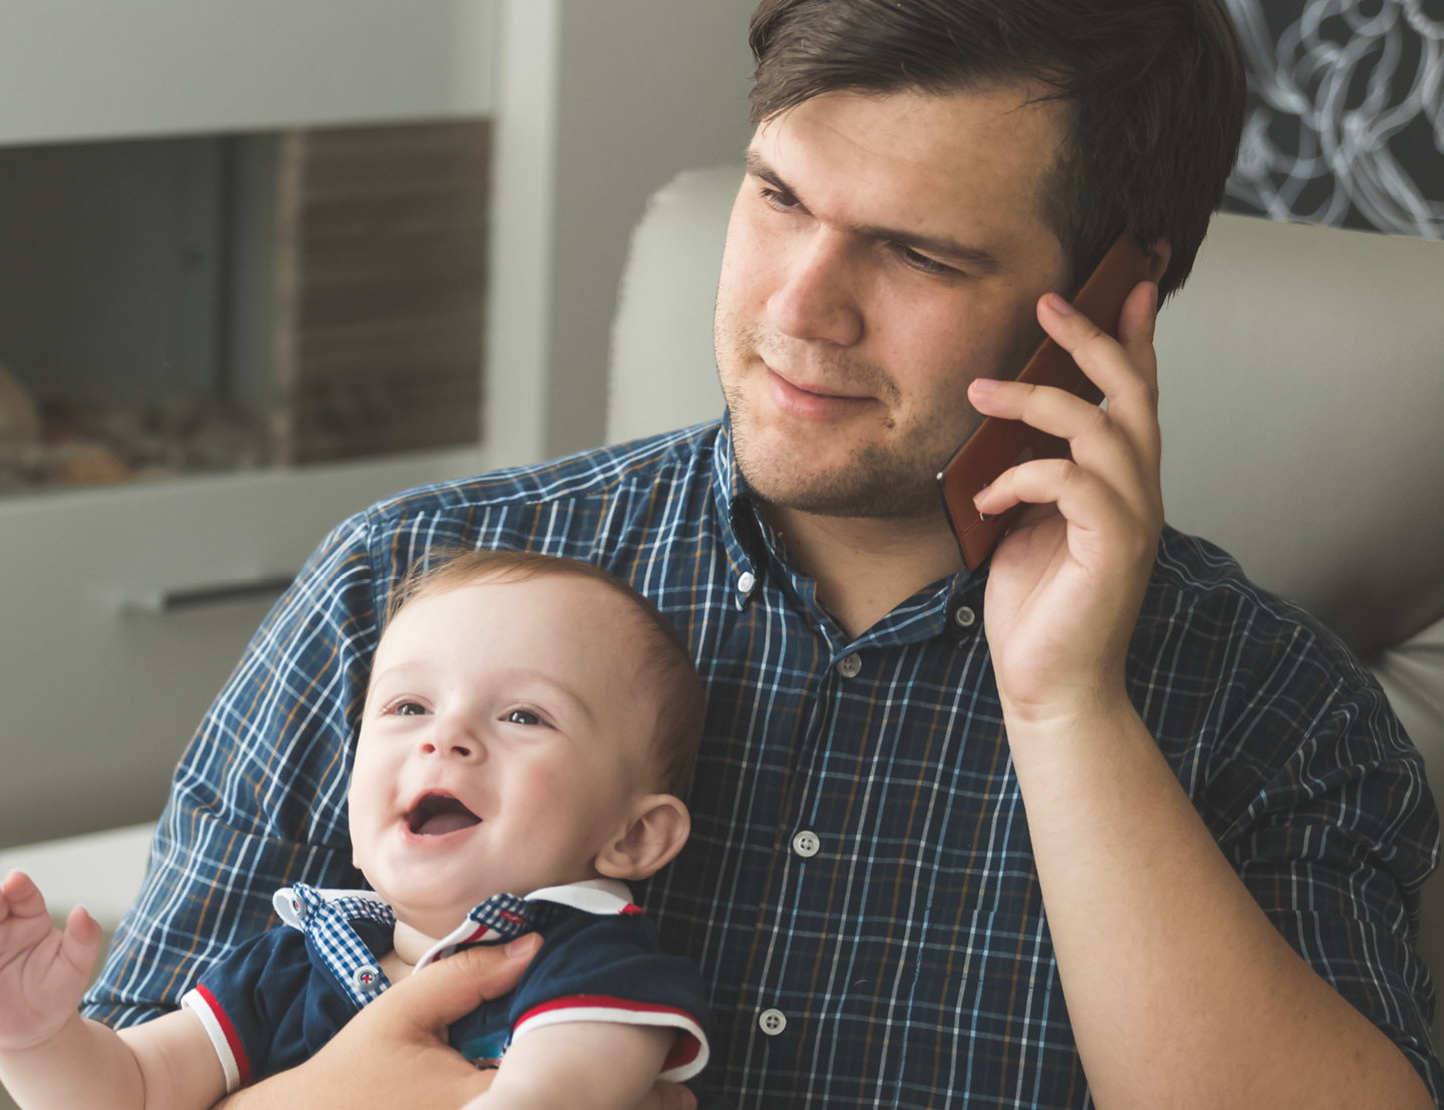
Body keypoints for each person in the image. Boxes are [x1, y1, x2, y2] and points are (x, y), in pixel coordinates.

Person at [81, 1, 1443, 1107]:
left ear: (1107, 301)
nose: (797, 308)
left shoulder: (1272, 708)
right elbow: (101, 1080)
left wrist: (1064, 708)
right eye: (779, 196)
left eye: (914, 251)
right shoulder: (403, 588)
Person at [0, 552, 713, 1110]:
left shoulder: (592, 965)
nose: (445, 738)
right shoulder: (288, 965)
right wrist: (34, 1036)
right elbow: (135, 1093)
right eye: (408, 707)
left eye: (523, 716)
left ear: (634, 839)